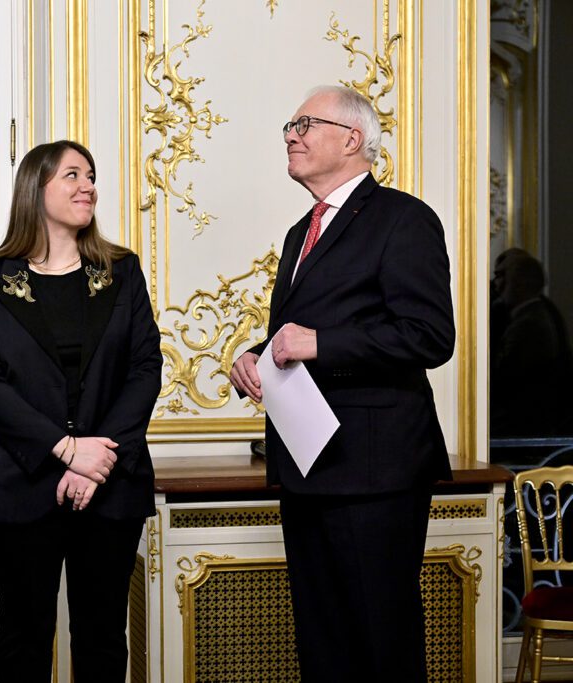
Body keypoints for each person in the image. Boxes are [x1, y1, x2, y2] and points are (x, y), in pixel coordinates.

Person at [229, 86, 455, 683]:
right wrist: (256, 356)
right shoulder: (300, 231)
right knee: (322, 642)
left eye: (305, 124)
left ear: (353, 138)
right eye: (289, 125)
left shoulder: (404, 219)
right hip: (308, 466)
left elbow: (430, 337)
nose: (290, 134)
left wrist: (321, 344)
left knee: (381, 641)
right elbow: (300, 332)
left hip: (375, 471)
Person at [0, 140, 160, 682]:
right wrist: (68, 451)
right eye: (72, 175)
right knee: (24, 635)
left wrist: (96, 461)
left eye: (91, 175)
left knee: (102, 637)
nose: (87, 185)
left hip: (110, 481)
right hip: (21, 482)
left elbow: (145, 368)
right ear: (36, 188)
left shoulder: (121, 271)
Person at [491, 249, 573, 436]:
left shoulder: (529, 324)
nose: (496, 284)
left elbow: (504, 378)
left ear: (520, 283)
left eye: (502, 276)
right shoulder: (531, 316)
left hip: (523, 427)